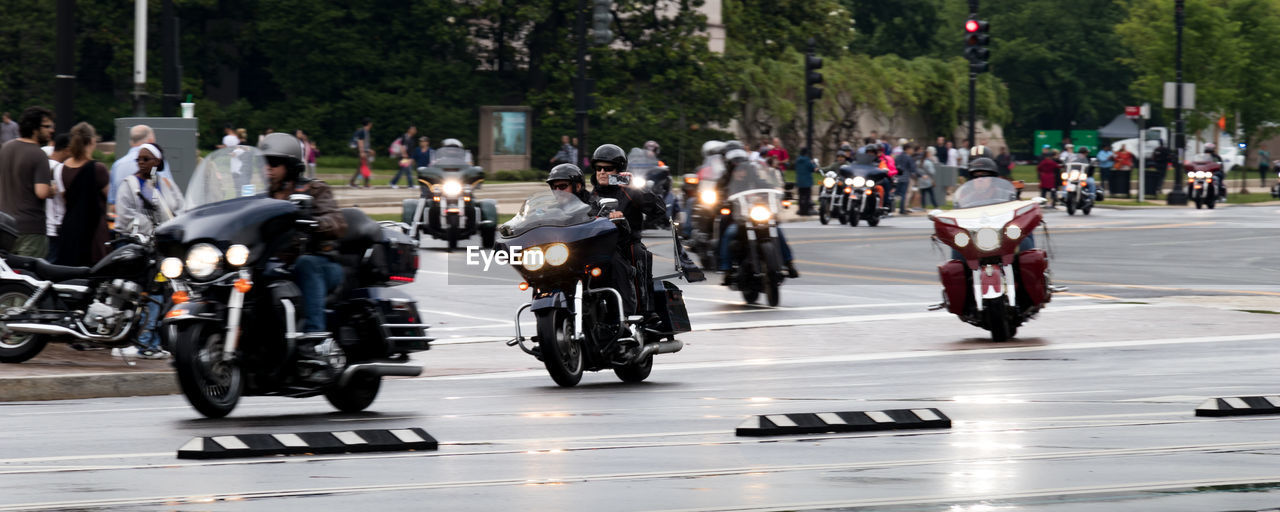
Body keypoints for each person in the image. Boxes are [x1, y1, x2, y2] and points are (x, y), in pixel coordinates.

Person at [589, 144, 703, 315]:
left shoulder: (629, 191)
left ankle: (637, 313)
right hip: (599, 247)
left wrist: (637, 188)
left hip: (626, 244)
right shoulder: (593, 195)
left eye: (608, 168)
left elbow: (659, 210)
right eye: (598, 168)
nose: (602, 172)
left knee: (636, 253)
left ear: (619, 170)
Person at [261, 132, 348, 334]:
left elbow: (338, 223)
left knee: (306, 264)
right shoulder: (258, 195)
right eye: (263, 163)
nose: (267, 169)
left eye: (274, 163)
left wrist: (314, 223)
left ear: (290, 167)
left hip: (321, 263)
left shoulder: (314, 190)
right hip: (274, 263)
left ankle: (314, 338)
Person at [715, 147, 797, 282]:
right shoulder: (724, 181)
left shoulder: (752, 176)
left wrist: (779, 192)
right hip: (738, 218)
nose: (741, 171)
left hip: (756, 214)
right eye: (737, 168)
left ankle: (789, 263)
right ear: (730, 168)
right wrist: (722, 203)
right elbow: (719, 196)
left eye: (743, 168)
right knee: (729, 233)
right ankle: (726, 268)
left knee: (776, 229)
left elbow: (765, 185)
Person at [0, 106, 56, 258]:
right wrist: (53, 189)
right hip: (31, 230)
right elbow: (42, 192)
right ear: (34, 128)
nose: (51, 130)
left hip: (4, 228)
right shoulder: (38, 154)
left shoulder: (5, 148)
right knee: (31, 278)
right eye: (47, 126)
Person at [52, 122, 111, 266]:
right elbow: (109, 196)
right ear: (92, 141)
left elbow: (65, 198)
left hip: (70, 227)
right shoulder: (98, 169)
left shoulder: (61, 168)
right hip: (94, 229)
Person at [115, 142, 185, 236]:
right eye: (138, 159)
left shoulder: (167, 183)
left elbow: (181, 208)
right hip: (135, 241)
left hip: (165, 240)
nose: (141, 162)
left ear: (157, 161)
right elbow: (125, 216)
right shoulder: (128, 184)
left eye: (145, 159)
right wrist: (156, 229)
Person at [108, 124, 157, 213]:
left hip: (124, 222)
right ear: (150, 141)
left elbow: (113, 205)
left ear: (131, 142)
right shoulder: (156, 163)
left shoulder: (117, 166)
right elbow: (167, 196)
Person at [43, 134, 71, 263]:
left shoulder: (41, 163)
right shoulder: (59, 169)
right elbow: (66, 198)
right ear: (67, 149)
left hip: (39, 225)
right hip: (55, 226)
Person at [389, 125, 417, 189]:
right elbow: (402, 146)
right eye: (413, 129)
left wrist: (412, 158)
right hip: (404, 157)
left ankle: (394, 182)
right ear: (409, 130)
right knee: (407, 171)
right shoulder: (405, 136)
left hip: (408, 158)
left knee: (404, 171)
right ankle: (410, 185)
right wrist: (404, 154)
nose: (415, 131)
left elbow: (411, 149)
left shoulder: (411, 138)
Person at [893, 143, 917, 214]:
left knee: (895, 193)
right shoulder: (908, 157)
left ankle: (892, 208)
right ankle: (902, 209)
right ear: (907, 149)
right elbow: (913, 168)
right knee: (903, 194)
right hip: (905, 177)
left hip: (897, 177)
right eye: (911, 149)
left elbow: (895, 164)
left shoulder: (898, 156)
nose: (912, 151)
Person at [348, 118, 373, 188]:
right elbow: (360, 142)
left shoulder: (365, 131)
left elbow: (365, 143)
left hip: (365, 151)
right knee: (367, 167)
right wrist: (362, 152)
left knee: (361, 168)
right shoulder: (362, 131)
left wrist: (369, 150)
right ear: (369, 124)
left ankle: (352, 182)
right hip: (363, 152)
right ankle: (366, 184)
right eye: (371, 123)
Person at [793, 147, 816, 215]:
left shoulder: (797, 160)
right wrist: (813, 163)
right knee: (807, 197)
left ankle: (801, 210)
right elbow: (812, 169)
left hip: (800, 181)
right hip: (807, 182)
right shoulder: (807, 160)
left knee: (800, 197)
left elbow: (796, 168)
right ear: (806, 153)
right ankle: (806, 211)